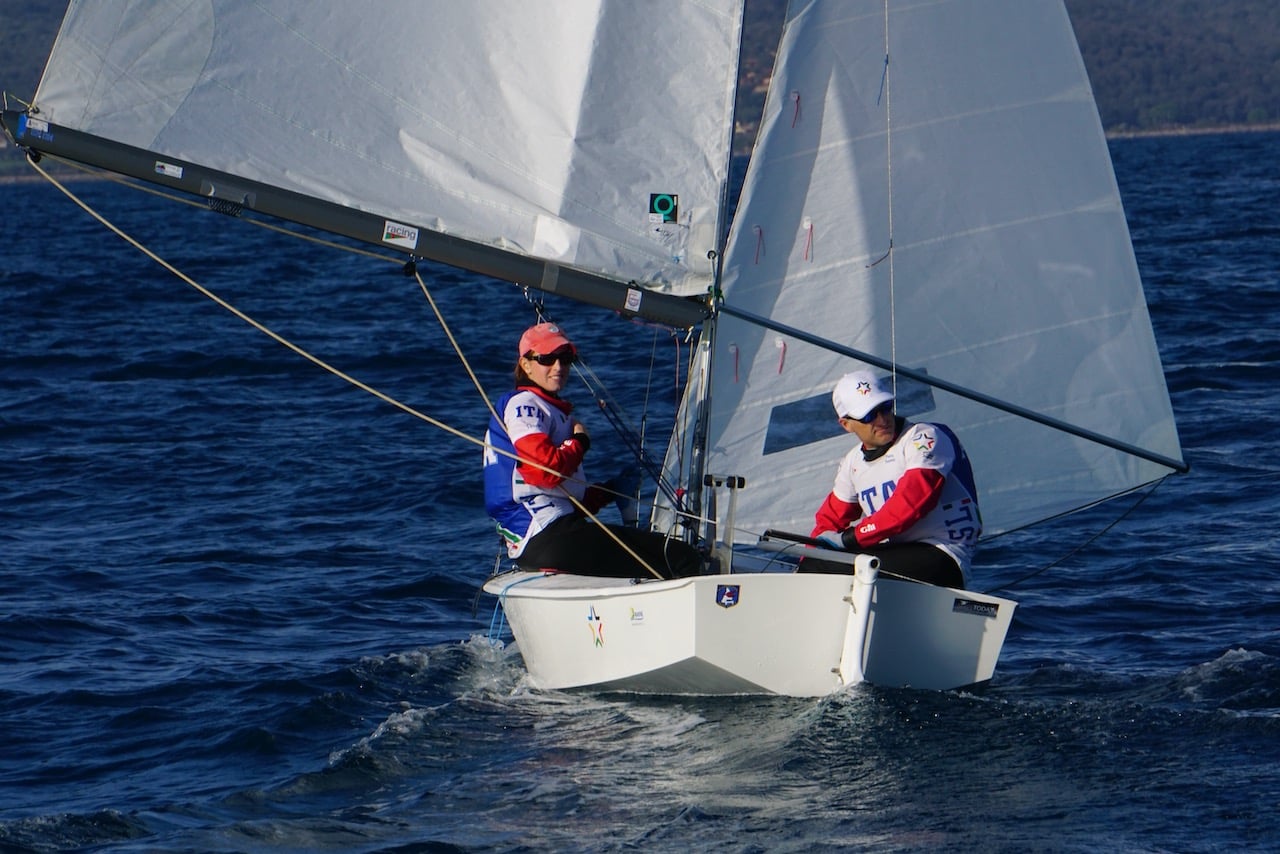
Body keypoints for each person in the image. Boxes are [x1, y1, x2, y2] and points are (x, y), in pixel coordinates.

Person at [483, 322, 702, 579]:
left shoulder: (544, 409)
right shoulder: (525, 404)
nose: (558, 366)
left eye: (565, 358)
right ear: (526, 364)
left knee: (658, 558)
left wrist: (609, 491)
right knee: (681, 558)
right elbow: (544, 472)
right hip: (547, 534)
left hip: (542, 540)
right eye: (547, 359)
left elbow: (561, 494)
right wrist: (580, 442)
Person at [800, 370, 981, 587]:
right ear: (846, 424)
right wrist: (807, 556)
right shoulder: (852, 462)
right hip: (898, 553)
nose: (882, 419)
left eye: (885, 407)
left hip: (944, 555)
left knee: (820, 567)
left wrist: (852, 538)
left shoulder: (925, 437)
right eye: (869, 415)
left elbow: (909, 506)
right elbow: (829, 520)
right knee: (813, 564)